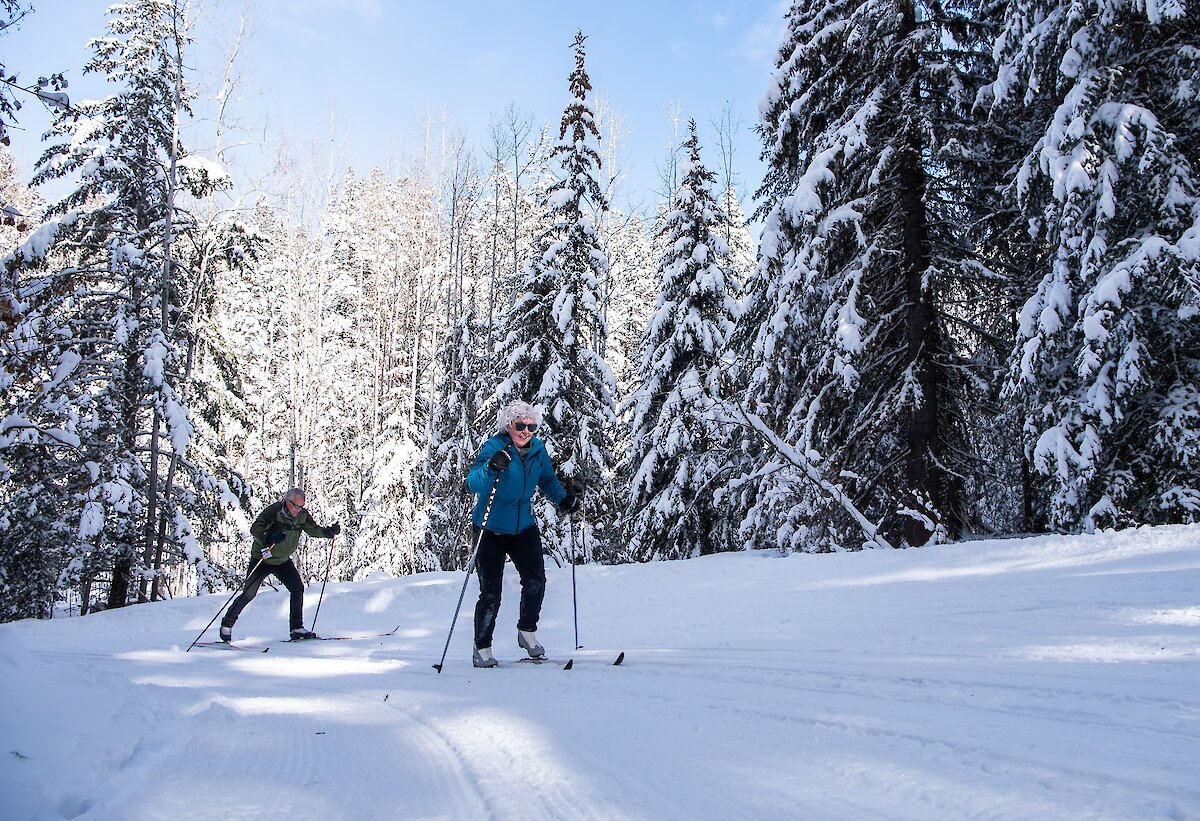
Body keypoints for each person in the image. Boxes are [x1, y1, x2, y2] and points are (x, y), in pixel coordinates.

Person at [464, 401, 581, 667]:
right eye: (520, 426)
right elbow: (473, 483)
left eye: (531, 426)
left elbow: (548, 480)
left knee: (536, 580)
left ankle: (527, 632)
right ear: (509, 426)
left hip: (523, 527)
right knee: (491, 593)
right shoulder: (495, 448)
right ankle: (481, 647)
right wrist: (491, 467)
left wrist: (563, 500)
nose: (526, 431)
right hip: (489, 528)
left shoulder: (537, 450)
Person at [220, 488, 341, 642]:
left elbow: (313, 529)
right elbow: (256, 528)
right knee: (249, 594)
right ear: (286, 501)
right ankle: (226, 626)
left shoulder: (302, 515)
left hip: (282, 560)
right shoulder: (274, 511)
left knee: (297, 588)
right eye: (295, 506)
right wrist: (268, 537)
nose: (297, 510)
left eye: (300, 506)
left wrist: (328, 532)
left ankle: (296, 628)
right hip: (262, 559)